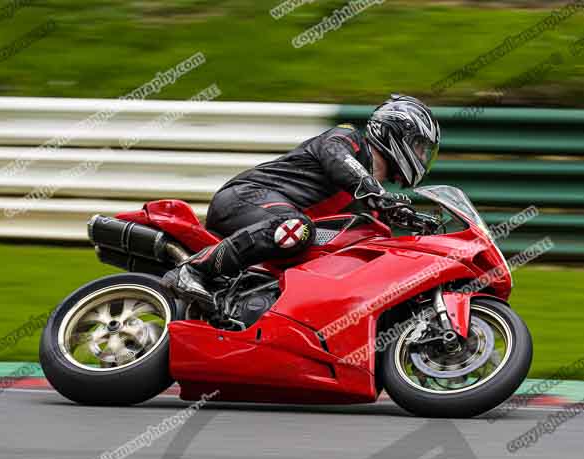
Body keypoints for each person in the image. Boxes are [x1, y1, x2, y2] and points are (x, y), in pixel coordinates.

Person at [162, 94, 440, 304]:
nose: (422, 158)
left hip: (275, 232)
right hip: (244, 197)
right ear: (395, 130)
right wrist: (378, 193)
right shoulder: (348, 138)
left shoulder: (372, 206)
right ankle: (194, 270)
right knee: (297, 227)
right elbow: (337, 159)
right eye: (419, 147)